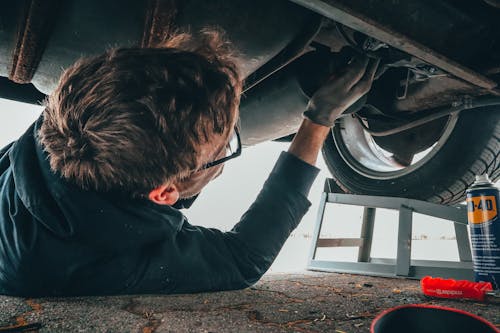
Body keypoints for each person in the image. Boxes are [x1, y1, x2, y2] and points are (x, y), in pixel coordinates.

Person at [0, 32, 378, 296]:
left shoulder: (73, 117)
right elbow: (244, 259)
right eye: (224, 147)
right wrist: (317, 120)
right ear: (164, 193)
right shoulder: (106, 263)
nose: (226, 146)